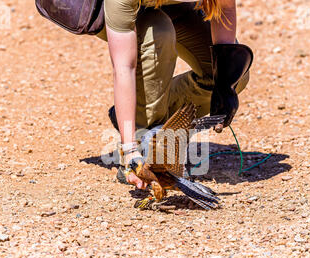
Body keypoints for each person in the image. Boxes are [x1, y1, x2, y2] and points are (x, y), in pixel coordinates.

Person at [95, 0, 253, 189]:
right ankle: (144, 149)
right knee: (159, 32)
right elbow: (124, 68)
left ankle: (137, 113)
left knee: (233, 73)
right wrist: (130, 150)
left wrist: (224, 84)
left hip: (169, 5)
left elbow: (224, 7)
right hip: (107, 9)